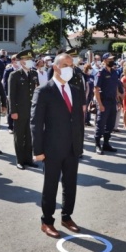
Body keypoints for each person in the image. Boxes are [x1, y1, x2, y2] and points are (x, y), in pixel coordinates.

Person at [31, 53, 85, 238]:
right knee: (50, 186)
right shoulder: (44, 90)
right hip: (52, 148)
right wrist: (38, 150)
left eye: (71, 65)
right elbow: (36, 123)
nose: (70, 68)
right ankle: (47, 221)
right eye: (65, 64)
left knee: (70, 184)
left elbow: (78, 120)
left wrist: (79, 145)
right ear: (55, 67)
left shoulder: (76, 90)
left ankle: (67, 216)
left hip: (72, 147)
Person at [7, 49, 39, 170]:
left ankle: (28, 159)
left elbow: (37, 92)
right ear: (21, 61)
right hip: (19, 111)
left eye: (30, 59)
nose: (29, 61)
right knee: (19, 136)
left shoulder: (34, 74)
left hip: (32, 111)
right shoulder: (14, 75)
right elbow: (12, 95)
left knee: (30, 136)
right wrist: (13, 111)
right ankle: (20, 160)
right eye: (27, 59)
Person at [94, 53, 121, 154]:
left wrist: (118, 101)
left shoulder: (114, 72)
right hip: (103, 101)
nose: (112, 61)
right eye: (110, 60)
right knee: (100, 123)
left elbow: (116, 88)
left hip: (112, 101)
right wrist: (100, 104)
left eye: (113, 59)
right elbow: (96, 89)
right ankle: (97, 144)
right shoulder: (101, 73)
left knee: (110, 124)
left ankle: (106, 143)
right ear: (104, 60)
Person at [3, 54, 19, 134]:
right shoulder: (8, 70)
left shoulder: (21, 70)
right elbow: (5, 83)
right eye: (16, 60)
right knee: (10, 110)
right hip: (10, 93)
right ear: (12, 61)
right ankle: (10, 126)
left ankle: (17, 126)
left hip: (19, 94)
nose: (18, 62)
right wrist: (6, 94)